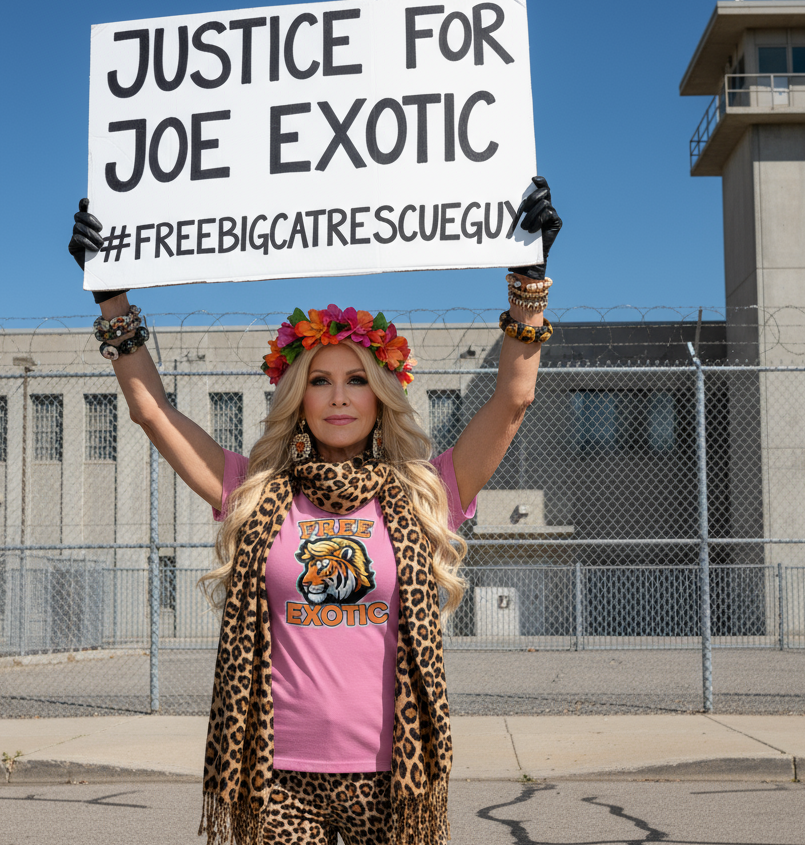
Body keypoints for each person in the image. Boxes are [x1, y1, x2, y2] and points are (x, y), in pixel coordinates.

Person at [67, 177, 562, 845]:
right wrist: (112, 298)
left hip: (392, 777)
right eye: (320, 380)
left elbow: (512, 399)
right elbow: (151, 411)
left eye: (357, 378)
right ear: (298, 396)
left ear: (380, 392)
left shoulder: (426, 490)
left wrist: (528, 282)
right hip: (273, 774)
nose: (338, 397)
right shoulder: (254, 488)